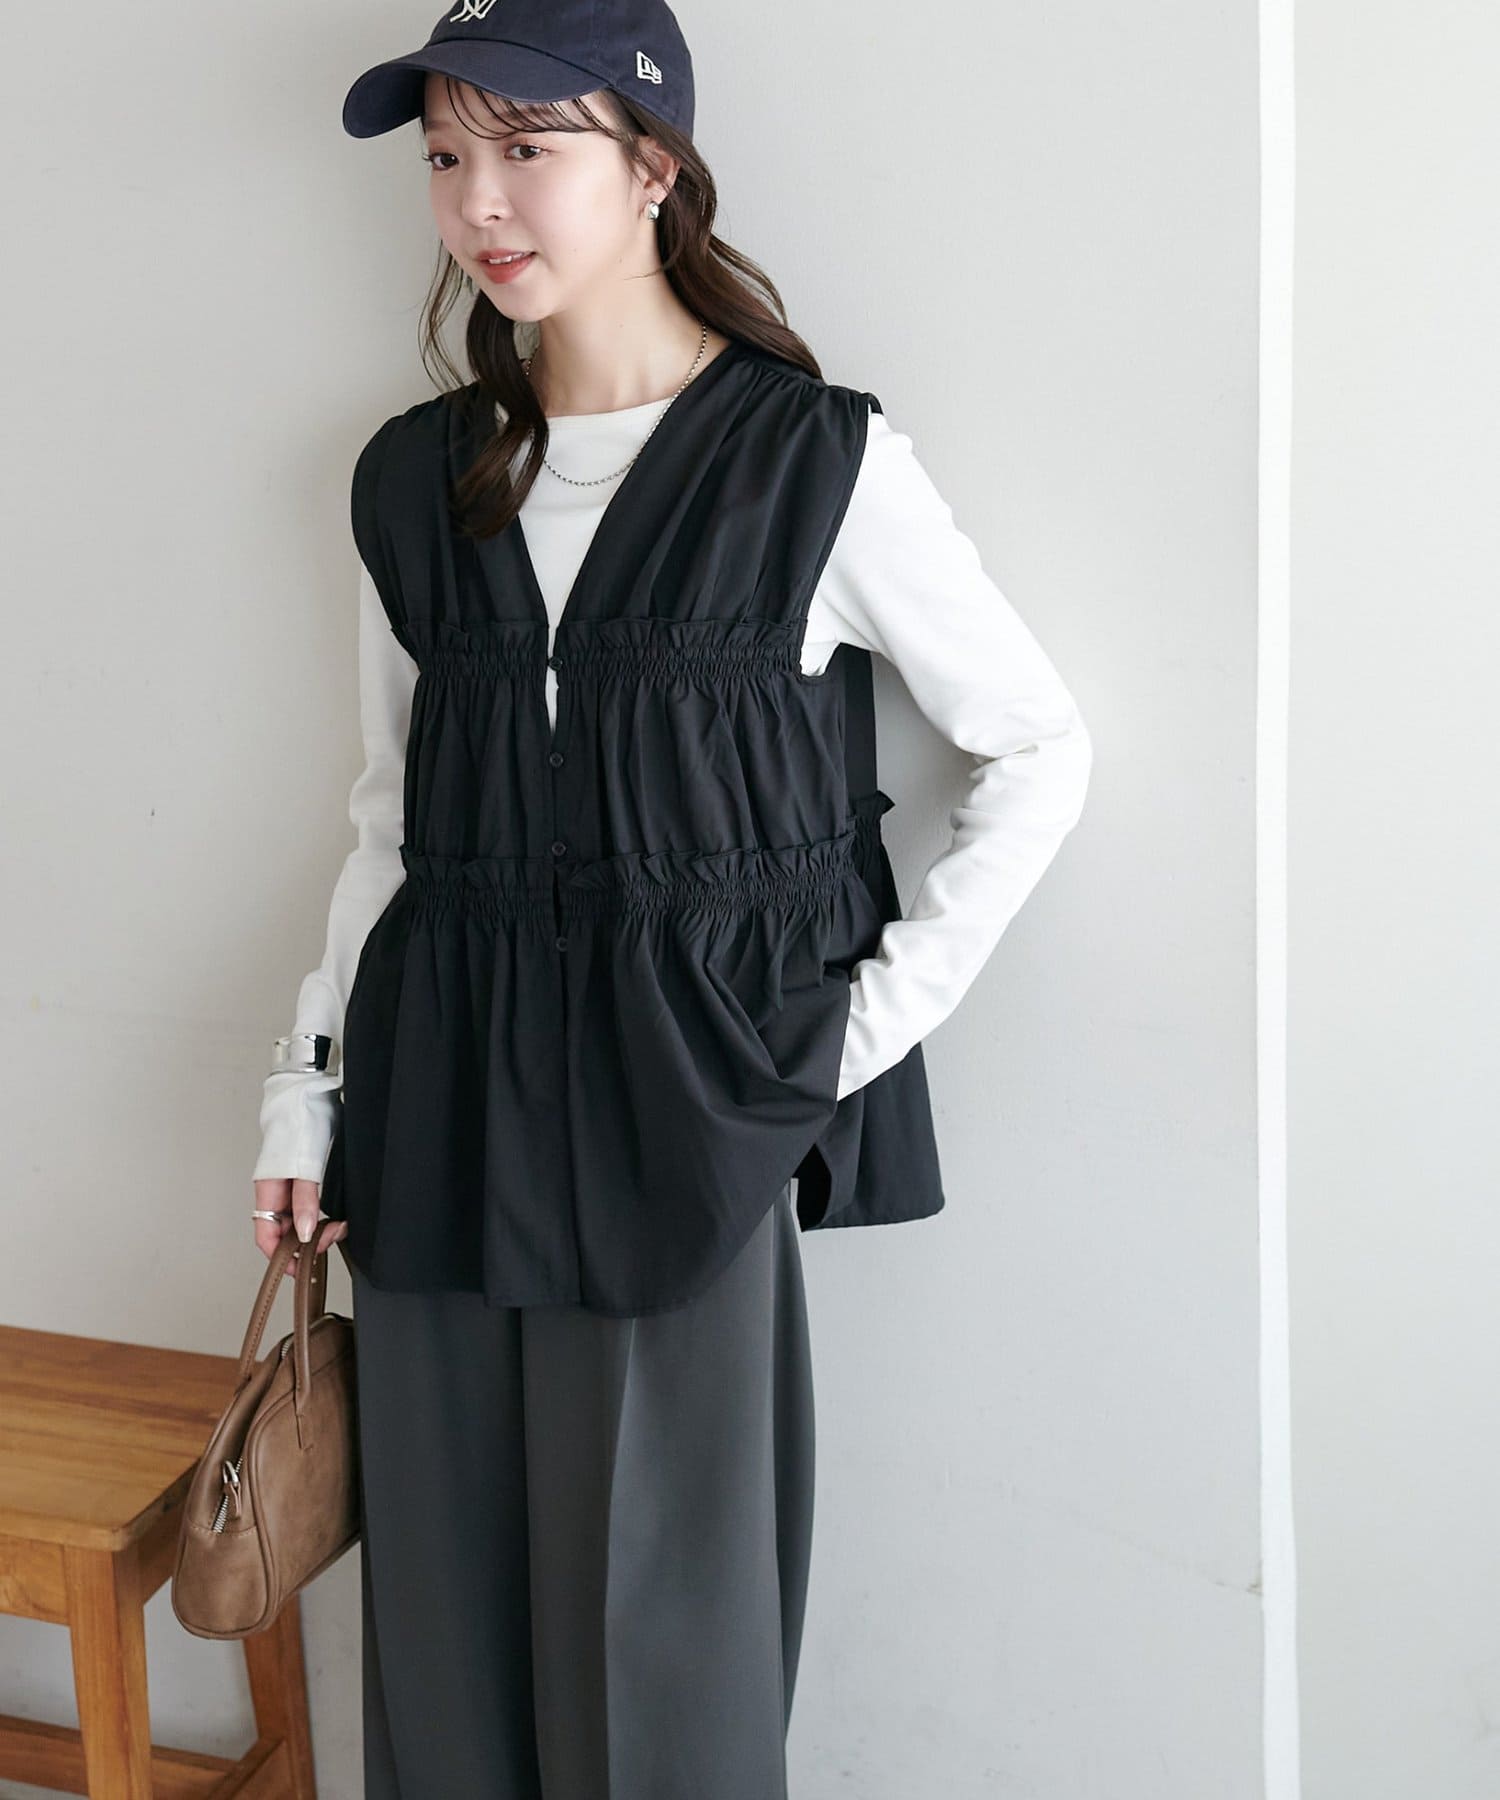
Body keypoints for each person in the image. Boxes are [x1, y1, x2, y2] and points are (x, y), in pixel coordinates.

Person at [250, 0, 1094, 1792]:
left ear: (652, 168)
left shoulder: (811, 463)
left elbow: (1037, 748)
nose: (480, 202)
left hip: (688, 1122)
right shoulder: (415, 479)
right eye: (446, 157)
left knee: (668, 1661)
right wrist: (303, 1091)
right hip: (436, 1110)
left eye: (526, 148)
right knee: (445, 1653)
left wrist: (843, 1038)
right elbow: (391, 819)